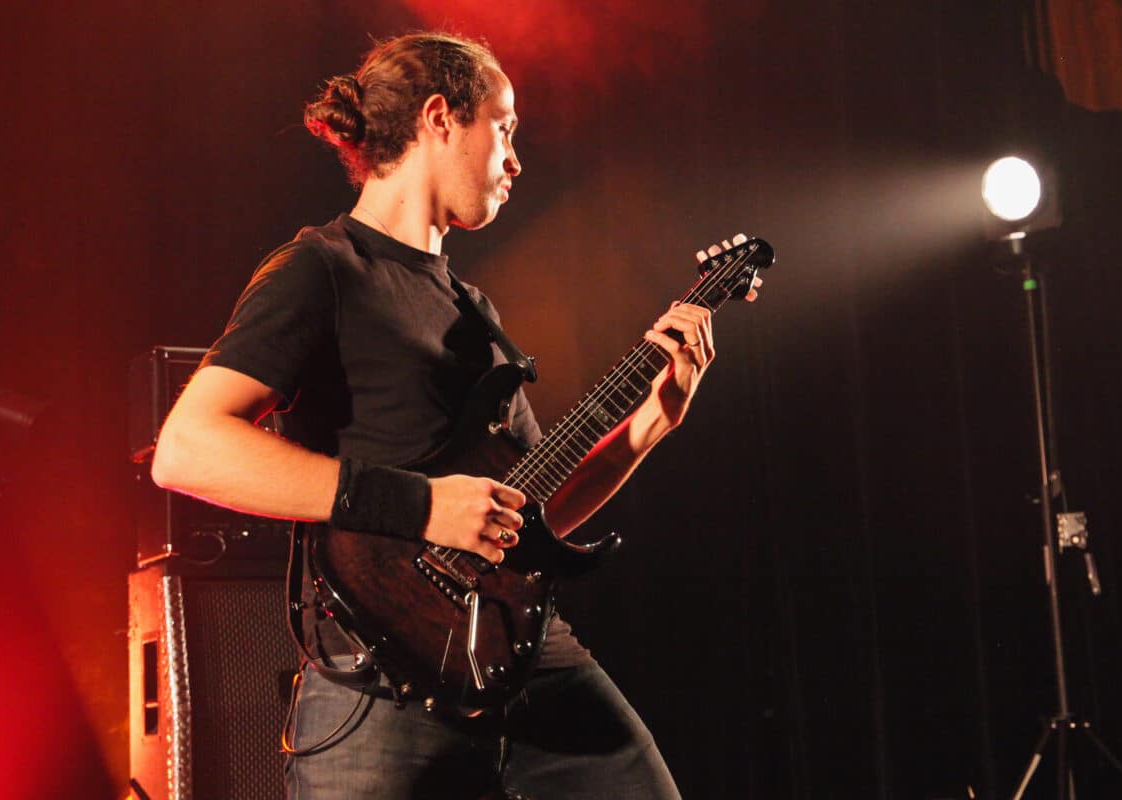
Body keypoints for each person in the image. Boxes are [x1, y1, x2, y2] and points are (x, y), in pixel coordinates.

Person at [152, 32, 759, 799]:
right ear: (440, 118)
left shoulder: (476, 313)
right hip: (377, 679)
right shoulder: (322, 269)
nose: (516, 160)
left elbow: (531, 515)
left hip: (523, 659)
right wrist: (423, 505)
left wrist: (651, 425)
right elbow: (189, 448)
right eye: (503, 128)